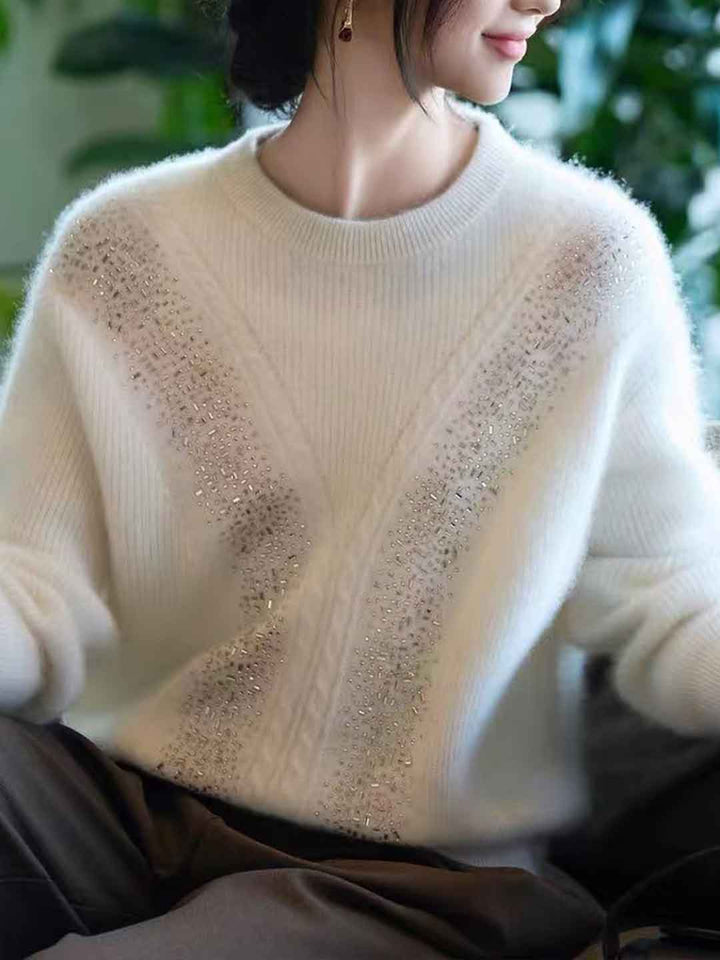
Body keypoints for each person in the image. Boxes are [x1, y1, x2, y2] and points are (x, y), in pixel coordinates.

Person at [2, 0, 720, 956]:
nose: (547, 1)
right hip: (120, 810)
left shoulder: (590, 261)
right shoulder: (120, 248)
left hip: (416, 883)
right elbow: (30, 585)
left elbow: (672, 593)